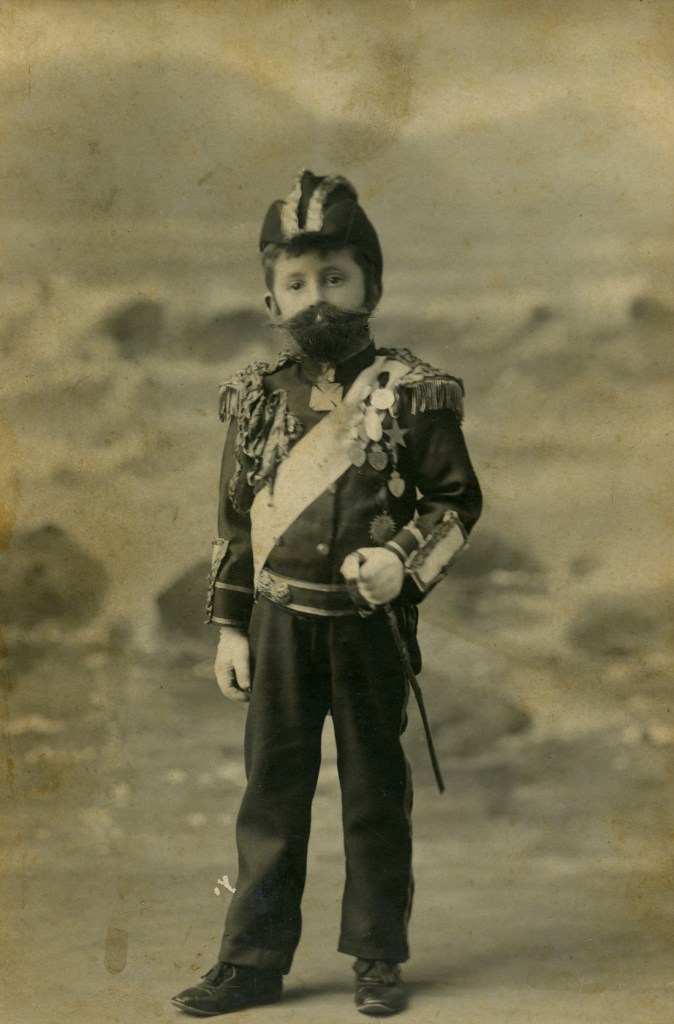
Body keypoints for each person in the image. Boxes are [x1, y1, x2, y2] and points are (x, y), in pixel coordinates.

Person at [172, 170, 482, 1018]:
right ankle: (251, 963)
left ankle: (377, 957)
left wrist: (402, 561)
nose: (318, 299)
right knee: (271, 792)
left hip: (369, 627)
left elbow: (456, 504)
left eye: (336, 278)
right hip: (277, 624)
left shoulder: (413, 392)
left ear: (370, 286)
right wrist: (231, 629)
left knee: (375, 795)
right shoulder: (255, 397)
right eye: (298, 282)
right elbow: (236, 523)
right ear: (271, 298)